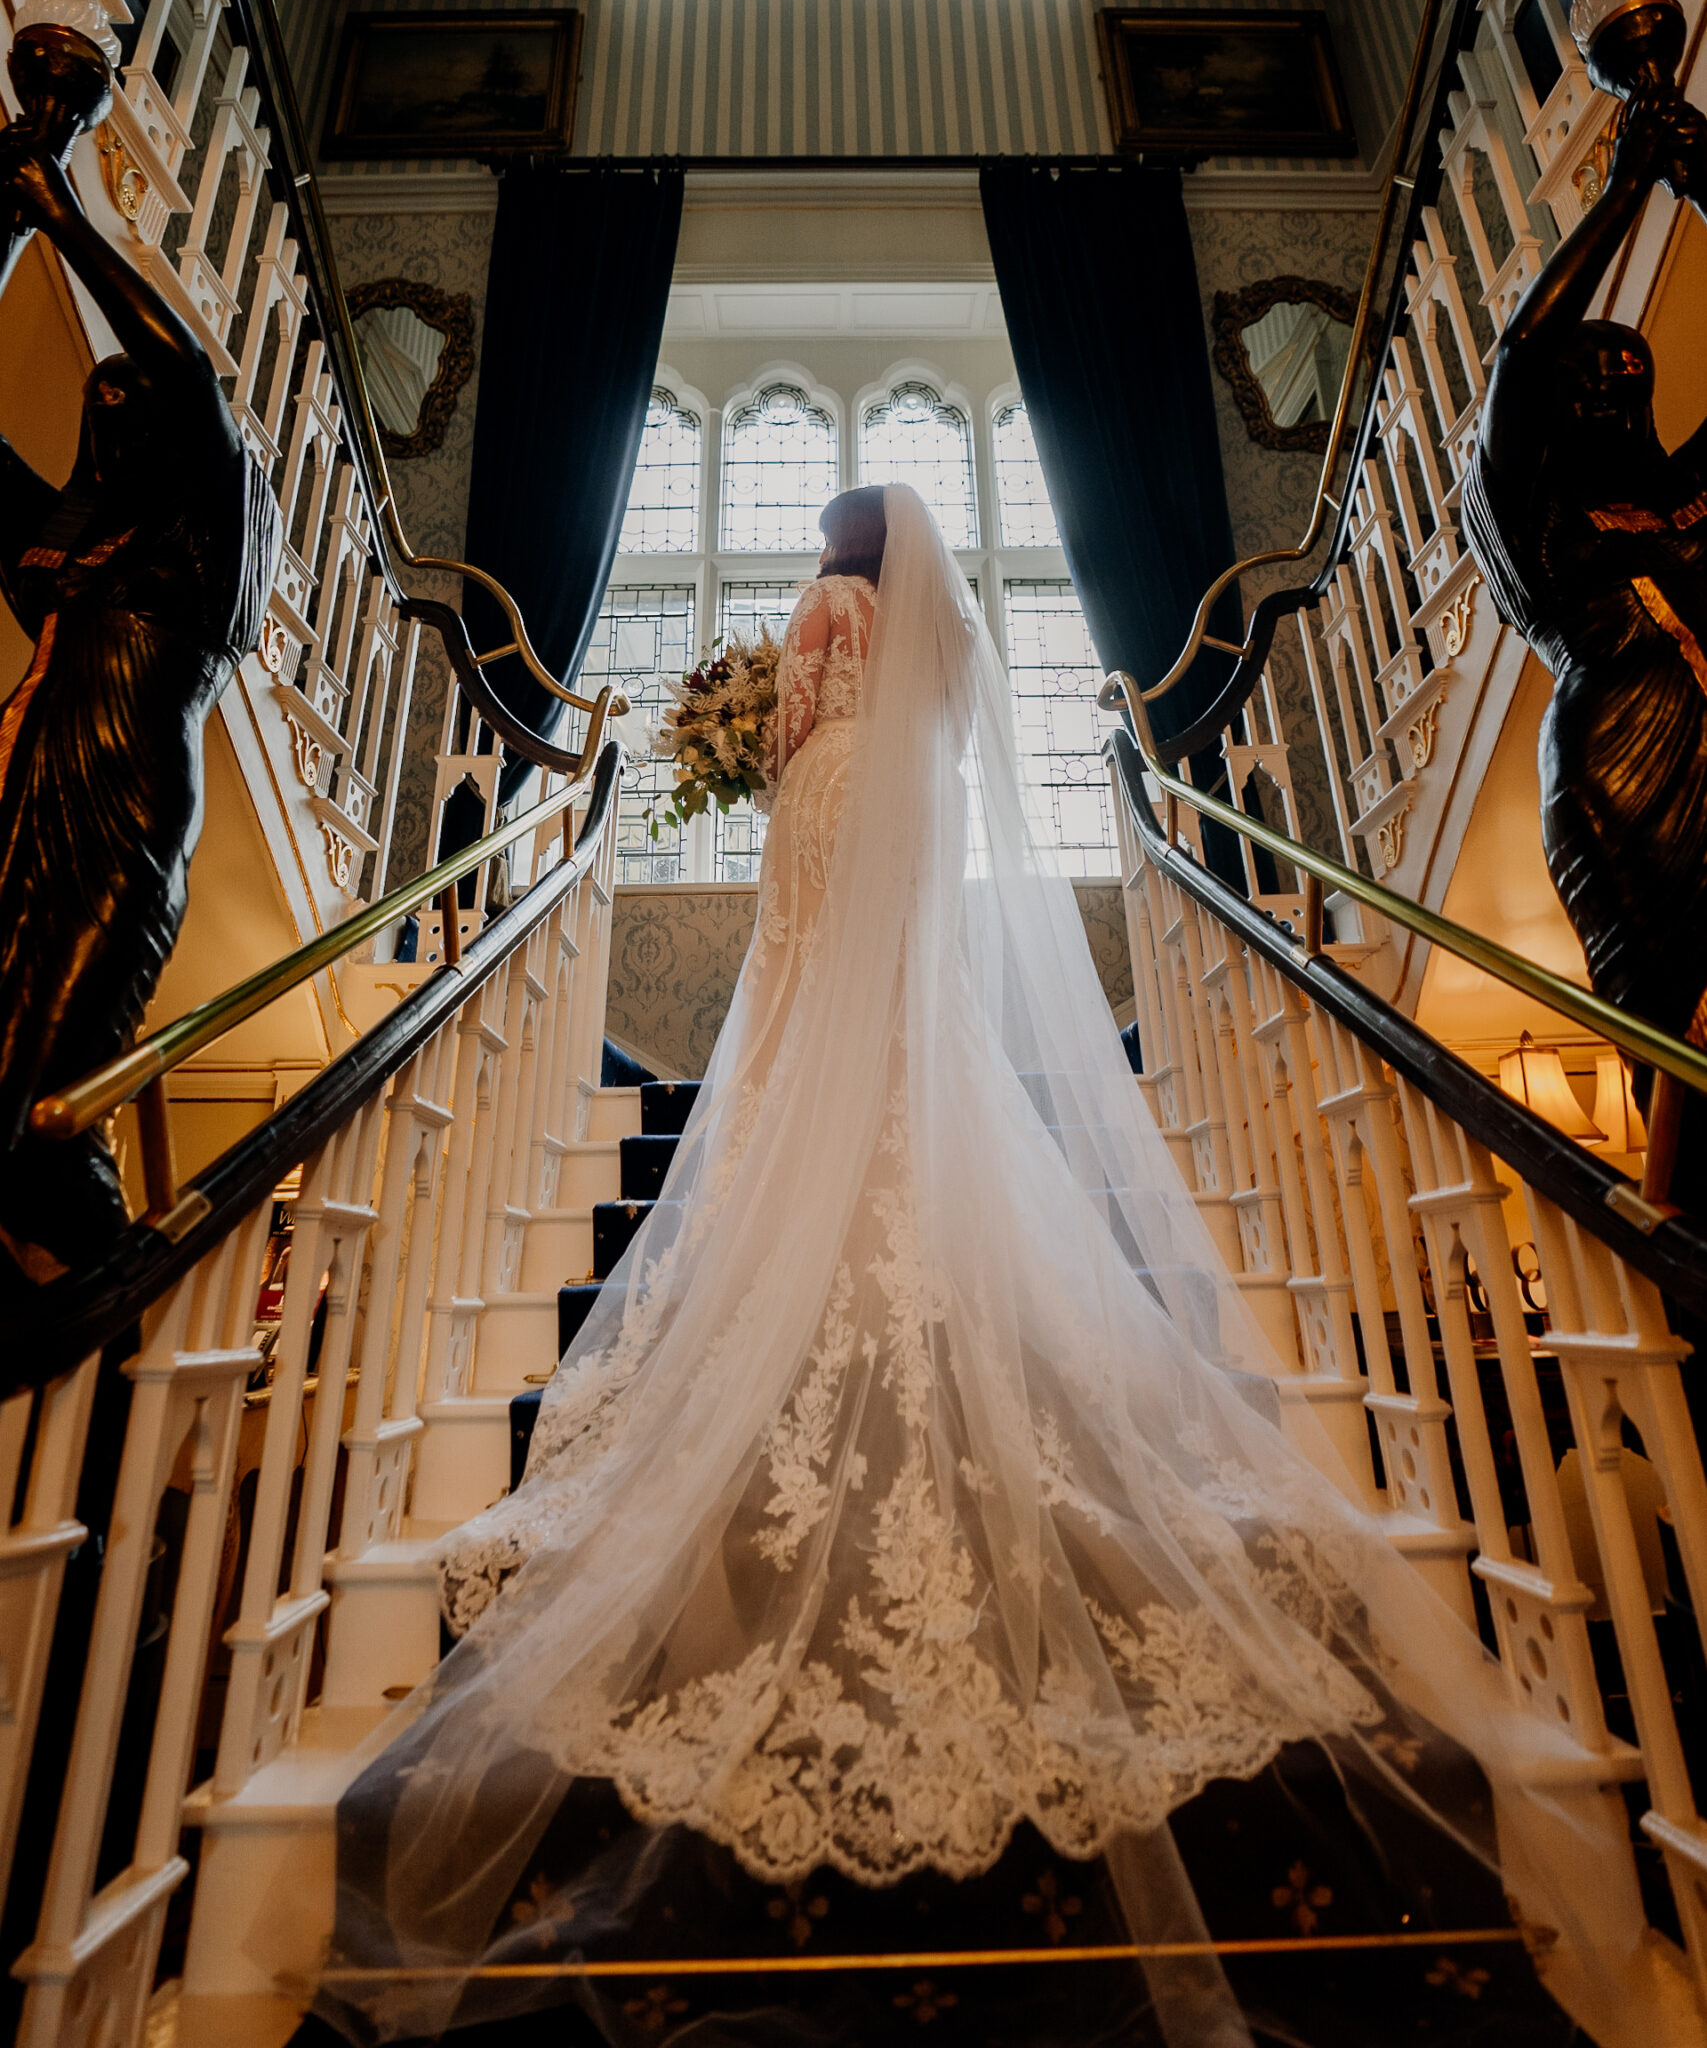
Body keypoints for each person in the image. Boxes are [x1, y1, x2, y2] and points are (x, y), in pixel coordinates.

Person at [314, 484, 1635, 2048]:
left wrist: (764, 744)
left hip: (825, 832)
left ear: (838, 561)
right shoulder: (931, 715)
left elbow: (795, 847)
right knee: (910, 1073)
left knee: (809, 1028)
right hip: (903, 881)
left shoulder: (826, 640)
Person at [0, 135, 280, 1283]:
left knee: (51, 1113)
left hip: (124, 804)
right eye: (97, 399)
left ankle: (133, 1324)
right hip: (30, 792)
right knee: (5, 1106)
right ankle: (97, 1369)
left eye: (131, 398)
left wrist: (60, 214)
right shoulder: (78, 541)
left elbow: (191, 379)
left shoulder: (204, 538)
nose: (111, 398)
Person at [1462, 82, 1707, 1062]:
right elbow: (1520, 356)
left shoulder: (1686, 493)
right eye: (1588, 388)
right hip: (1619, 764)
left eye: (1629, 386)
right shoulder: (1539, 518)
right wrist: (1627, 189)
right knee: (1676, 1017)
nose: (1611, 397)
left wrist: (1699, 182)